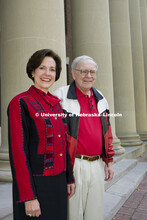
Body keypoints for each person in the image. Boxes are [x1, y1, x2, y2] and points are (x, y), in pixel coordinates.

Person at [7, 49, 75, 220]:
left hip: (58, 184)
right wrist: (29, 196)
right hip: (35, 185)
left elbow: (64, 145)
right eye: (42, 68)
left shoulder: (57, 105)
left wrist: (69, 178)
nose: (47, 74)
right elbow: (18, 153)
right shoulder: (20, 102)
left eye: (52, 69)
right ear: (32, 71)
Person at [53, 55, 115, 220]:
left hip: (97, 164)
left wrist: (109, 161)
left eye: (92, 72)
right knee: (74, 214)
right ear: (74, 73)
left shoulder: (100, 98)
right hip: (74, 165)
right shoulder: (61, 95)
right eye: (83, 71)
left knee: (95, 213)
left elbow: (107, 132)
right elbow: (52, 135)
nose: (89, 76)